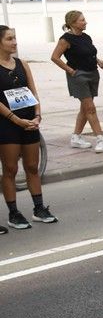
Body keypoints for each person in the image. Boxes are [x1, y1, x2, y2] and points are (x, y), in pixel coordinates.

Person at [0, 27, 55, 229]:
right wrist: (15, 119)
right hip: (7, 124)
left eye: (15, 38)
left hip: (29, 121)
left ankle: (39, 208)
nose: (14, 42)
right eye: (9, 39)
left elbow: (33, 91)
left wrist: (38, 115)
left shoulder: (22, 64)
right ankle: (13, 213)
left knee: (32, 166)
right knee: (10, 168)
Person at [50, 11, 103, 152]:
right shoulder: (65, 39)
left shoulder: (86, 37)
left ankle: (76, 137)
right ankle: (100, 138)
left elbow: (89, 54)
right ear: (73, 23)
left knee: (85, 108)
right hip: (79, 76)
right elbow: (55, 57)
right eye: (82, 20)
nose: (85, 22)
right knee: (90, 108)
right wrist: (70, 71)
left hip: (93, 73)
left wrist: (99, 61)